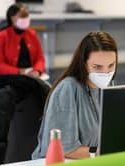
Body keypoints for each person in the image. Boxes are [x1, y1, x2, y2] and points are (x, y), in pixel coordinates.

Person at [32, 31, 118, 159]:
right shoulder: (68, 89)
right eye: (97, 67)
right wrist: (105, 153)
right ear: (84, 63)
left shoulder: (110, 86)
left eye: (111, 65)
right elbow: (65, 149)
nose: (106, 73)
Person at [0, 4, 45, 78]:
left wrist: (37, 71)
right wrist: (19, 71)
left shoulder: (32, 34)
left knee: (49, 88)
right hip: (6, 78)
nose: (25, 18)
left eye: (26, 16)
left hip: (29, 76)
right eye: (22, 16)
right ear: (12, 18)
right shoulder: (2, 36)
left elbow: (40, 58)